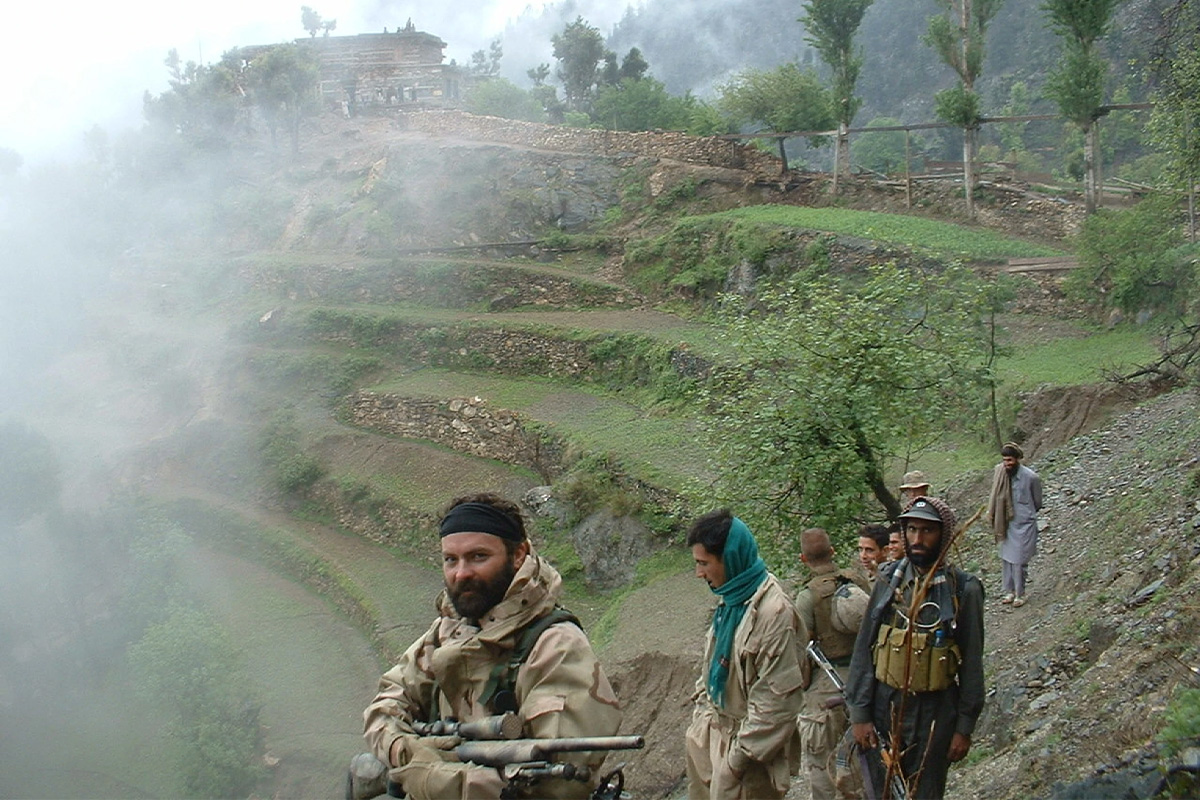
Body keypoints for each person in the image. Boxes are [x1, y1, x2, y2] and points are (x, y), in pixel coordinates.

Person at [361, 492, 622, 799]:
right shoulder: (450, 629)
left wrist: (431, 776)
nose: (461, 574)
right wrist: (406, 751)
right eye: (451, 560)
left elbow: (559, 784)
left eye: (478, 557)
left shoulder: (555, 646)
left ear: (518, 555)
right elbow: (385, 706)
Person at [845, 497, 985, 800]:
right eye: (911, 530)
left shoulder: (963, 589)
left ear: (943, 535)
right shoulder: (887, 580)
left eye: (927, 531)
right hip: (885, 708)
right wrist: (860, 713)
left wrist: (964, 727)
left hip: (934, 716)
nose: (918, 539)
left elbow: (972, 663)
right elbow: (865, 647)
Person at [685, 509, 803, 800]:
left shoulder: (773, 612)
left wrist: (736, 762)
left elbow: (776, 704)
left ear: (731, 558)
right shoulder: (733, 597)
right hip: (713, 735)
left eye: (704, 563)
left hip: (748, 755)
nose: (699, 573)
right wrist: (701, 721)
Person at [796, 528, 870, 800]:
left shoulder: (807, 597)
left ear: (803, 558)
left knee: (821, 765)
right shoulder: (858, 582)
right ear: (833, 552)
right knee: (867, 761)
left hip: (825, 688)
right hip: (866, 679)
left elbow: (800, 646)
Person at [986, 442, 1044, 607]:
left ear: (1018, 459)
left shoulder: (1031, 477)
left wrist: (1026, 513)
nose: (1007, 464)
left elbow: (1037, 501)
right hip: (1005, 522)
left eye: (1010, 460)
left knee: (1019, 559)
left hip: (1024, 523)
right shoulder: (1001, 473)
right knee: (1006, 558)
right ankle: (1009, 591)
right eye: (1004, 460)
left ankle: (1021, 593)